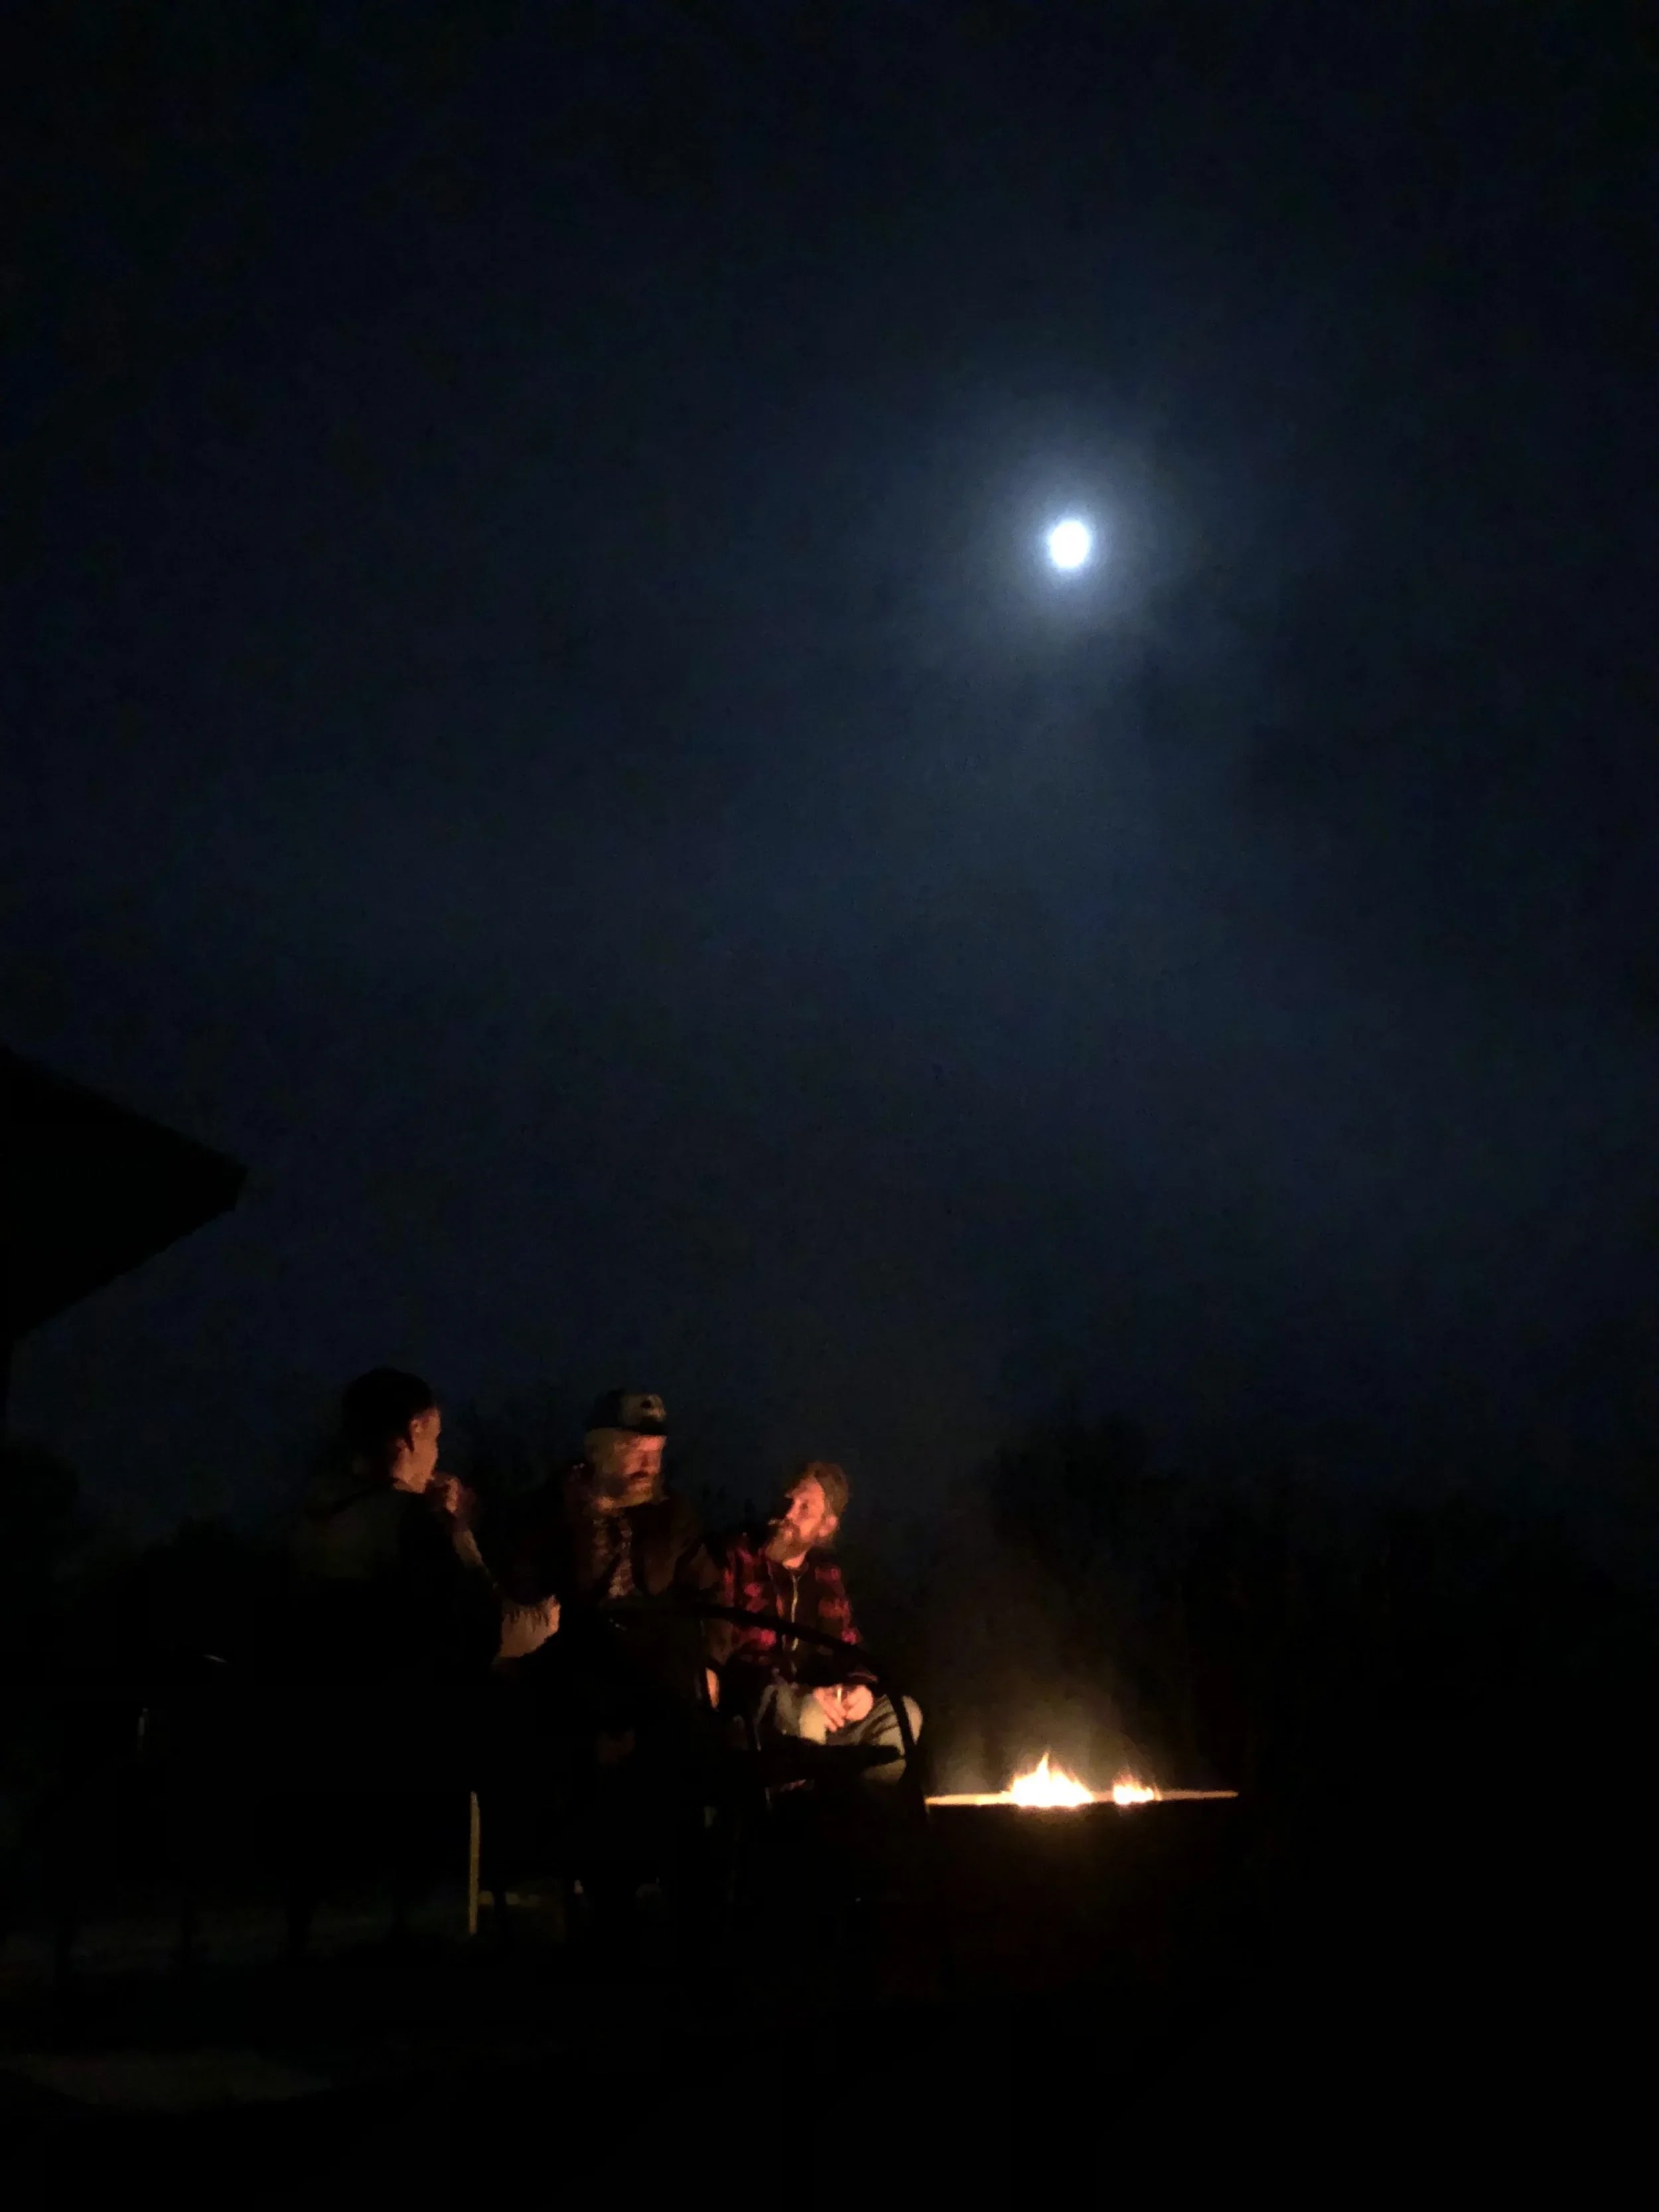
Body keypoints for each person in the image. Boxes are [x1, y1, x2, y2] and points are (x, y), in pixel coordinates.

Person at [293, 1367, 558, 1681]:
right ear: (414, 1431)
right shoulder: (415, 1519)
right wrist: (544, 1620)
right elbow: (482, 1629)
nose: (436, 1454)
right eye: (435, 1438)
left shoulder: (317, 1512)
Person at [705, 1462, 921, 1781]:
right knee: (805, 1712)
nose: (788, 1513)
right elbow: (717, 1647)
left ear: (826, 1526)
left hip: (820, 1705)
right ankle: (799, 1818)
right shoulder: (737, 1555)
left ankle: (871, 1814)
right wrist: (800, 1693)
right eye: (787, 1501)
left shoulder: (824, 1575)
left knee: (903, 1714)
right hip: (756, 1702)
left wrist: (860, 1687)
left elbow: (848, 1645)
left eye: (805, 1508)